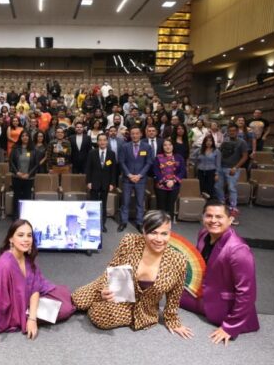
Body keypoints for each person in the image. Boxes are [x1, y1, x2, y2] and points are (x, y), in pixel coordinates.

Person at [72, 210, 192, 338]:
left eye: (164, 234)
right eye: (153, 232)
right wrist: (105, 288)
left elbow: (175, 294)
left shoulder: (178, 260)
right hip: (117, 288)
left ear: (170, 234)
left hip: (140, 307)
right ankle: (97, 299)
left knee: (99, 316)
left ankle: (98, 305)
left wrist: (172, 320)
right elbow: (113, 267)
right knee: (77, 299)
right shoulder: (130, 241)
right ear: (144, 231)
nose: (159, 239)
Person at [0, 219, 75, 348]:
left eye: (29, 235)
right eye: (21, 235)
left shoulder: (25, 256)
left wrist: (32, 318)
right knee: (65, 308)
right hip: (15, 310)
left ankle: (83, 298)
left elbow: (35, 286)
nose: (26, 239)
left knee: (64, 294)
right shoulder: (4, 265)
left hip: (30, 299)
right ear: (11, 239)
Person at [180, 201, 259, 345]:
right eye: (209, 216)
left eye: (219, 216)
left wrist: (230, 327)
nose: (213, 220)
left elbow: (247, 293)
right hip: (205, 293)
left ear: (230, 220)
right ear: (203, 218)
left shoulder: (239, 250)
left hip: (226, 307)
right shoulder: (204, 233)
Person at [118, 127, 153, 232]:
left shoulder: (147, 147)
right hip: (127, 179)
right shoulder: (125, 146)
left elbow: (149, 163)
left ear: (141, 134)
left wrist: (139, 175)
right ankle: (123, 222)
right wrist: (129, 174)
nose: (134, 135)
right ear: (130, 135)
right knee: (125, 202)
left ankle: (139, 222)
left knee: (139, 202)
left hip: (140, 180)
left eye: (137, 133)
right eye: (132, 134)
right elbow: (122, 162)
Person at [215, 124, 248, 224]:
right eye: (230, 131)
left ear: (237, 131)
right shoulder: (225, 141)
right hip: (221, 168)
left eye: (234, 131)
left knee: (231, 188)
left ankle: (233, 210)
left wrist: (236, 167)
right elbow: (219, 154)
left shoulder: (242, 142)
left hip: (232, 169)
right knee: (217, 186)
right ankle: (222, 204)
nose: (232, 132)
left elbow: (245, 157)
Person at [85, 133, 116, 233]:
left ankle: (102, 224)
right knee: (94, 204)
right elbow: (88, 169)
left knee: (103, 204)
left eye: (104, 140)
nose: (102, 142)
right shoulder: (91, 153)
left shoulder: (111, 154)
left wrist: (112, 183)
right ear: (97, 142)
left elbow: (113, 170)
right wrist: (88, 182)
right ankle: (93, 224)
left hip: (106, 183)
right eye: (100, 140)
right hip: (94, 182)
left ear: (107, 141)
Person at [152, 139, 187, 220]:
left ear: (173, 146)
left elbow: (182, 171)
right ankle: (160, 224)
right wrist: (165, 181)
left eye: (170, 144)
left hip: (174, 186)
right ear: (162, 147)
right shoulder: (158, 157)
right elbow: (156, 171)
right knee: (161, 206)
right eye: (165, 145)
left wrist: (173, 180)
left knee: (170, 206)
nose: (168, 147)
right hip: (160, 186)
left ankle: (168, 225)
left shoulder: (179, 157)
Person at [9, 131, 39, 220]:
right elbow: (11, 162)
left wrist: (28, 174)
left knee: (27, 197)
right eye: (23, 136)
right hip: (16, 177)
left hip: (28, 178)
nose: (25, 137)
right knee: (16, 196)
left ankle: (26, 216)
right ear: (20, 138)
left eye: (26, 135)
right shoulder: (15, 148)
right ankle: (16, 216)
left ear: (29, 137)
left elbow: (36, 164)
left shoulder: (34, 149)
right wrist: (17, 172)